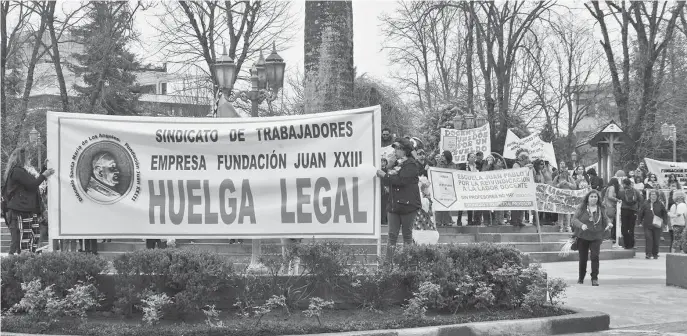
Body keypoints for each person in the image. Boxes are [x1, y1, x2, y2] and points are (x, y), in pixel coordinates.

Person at [3, 147, 55, 255]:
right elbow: (32, 185)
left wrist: (44, 169)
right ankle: (24, 259)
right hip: (21, 209)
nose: (29, 159)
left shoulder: (22, 171)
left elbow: (33, 181)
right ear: (22, 158)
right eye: (28, 156)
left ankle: (30, 257)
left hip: (29, 208)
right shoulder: (17, 171)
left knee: (35, 234)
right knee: (25, 237)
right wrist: (44, 175)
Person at [376, 138, 421, 258]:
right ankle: (388, 265)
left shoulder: (411, 164)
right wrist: (389, 166)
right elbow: (389, 181)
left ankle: (409, 264)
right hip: (394, 205)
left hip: (407, 206)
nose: (395, 150)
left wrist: (384, 175)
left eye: (398, 148)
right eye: (395, 148)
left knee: (407, 236)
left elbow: (401, 181)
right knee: (391, 236)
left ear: (405, 150)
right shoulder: (397, 163)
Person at [572, 189, 613, 286]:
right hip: (583, 236)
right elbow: (574, 219)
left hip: (596, 236)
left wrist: (609, 223)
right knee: (583, 258)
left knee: (595, 257)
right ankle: (581, 277)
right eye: (592, 196)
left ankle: (594, 278)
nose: (594, 198)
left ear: (598, 198)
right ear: (588, 198)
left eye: (595, 197)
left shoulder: (601, 208)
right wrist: (581, 225)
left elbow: (605, 218)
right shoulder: (581, 208)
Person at [638, 189, 669, 259]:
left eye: (655, 195)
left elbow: (664, 213)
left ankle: (655, 253)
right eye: (652, 194)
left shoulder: (660, 204)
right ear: (649, 196)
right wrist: (639, 222)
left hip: (657, 225)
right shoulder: (645, 203)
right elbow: (640, 213)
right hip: (647, 225)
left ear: (657, 196)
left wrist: (665, 222)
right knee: (648, 238)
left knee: (656, 240)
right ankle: (648, 254)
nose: (653, 196)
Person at [434, 150, 457, 226]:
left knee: (447, 204)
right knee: (439, 203)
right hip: (440, 188)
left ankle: (447, 221)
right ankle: (438, 221)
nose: (442, 157)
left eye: (443, 156)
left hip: (449, 188)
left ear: (447, 156)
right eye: (442, 156)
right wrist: (441, 163)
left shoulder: (453, 165)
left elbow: (453, 173)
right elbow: (437, 172)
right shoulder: (439, 164)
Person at [510, 149, 532, 226]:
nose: (528, 160)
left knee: (522, 204)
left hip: (524, 188)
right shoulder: (516, 165)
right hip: (517, 188)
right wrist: (525, 168)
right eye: (527, 158)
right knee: (516, 205)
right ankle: (514, 220)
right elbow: (516, 174)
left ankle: (520, 220)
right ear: (523, 158)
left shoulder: (527, 165)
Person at [619, 178, 643, 249]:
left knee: (624, 228)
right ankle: (631, 244)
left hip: (624, 210)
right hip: (633, 211)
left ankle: (626, 245)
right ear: (630, 183)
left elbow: (618, 197)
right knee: (631, 228)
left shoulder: (622, 191)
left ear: (624, 184)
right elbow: (641, 199)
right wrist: (638, 208)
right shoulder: (635, 191)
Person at [459, 152, 481, 225]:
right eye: (471, 157)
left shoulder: (476, 166)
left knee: (470, 205)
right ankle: (459, 220)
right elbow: (459, 175)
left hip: (472, 188)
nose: (473, 158)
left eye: (474, 157)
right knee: (462, 205)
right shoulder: (463, 166)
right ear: (468, 158)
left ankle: (470, 220)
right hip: (464, 188)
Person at [553, 167, 577, 232]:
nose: (564, 174)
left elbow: (575, 187)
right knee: (560, 212)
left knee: (568, 212)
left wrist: (568, 183)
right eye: (563, 173)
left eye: (565, 173)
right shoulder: (557, 178)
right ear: (560, 173)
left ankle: (567, 226)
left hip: (568, 197)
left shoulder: (569, 178)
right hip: (560, 197)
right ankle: (560, 226)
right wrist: (559, 184)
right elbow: (553, 187)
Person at [604, 177, 622, 243]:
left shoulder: (608, 187)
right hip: (610, 207)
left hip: (607, 206)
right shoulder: (612, 188)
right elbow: (610, 196)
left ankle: (606, 236)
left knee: (608, 222)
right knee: (610, 222)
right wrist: (617, 200)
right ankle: (608, 237)